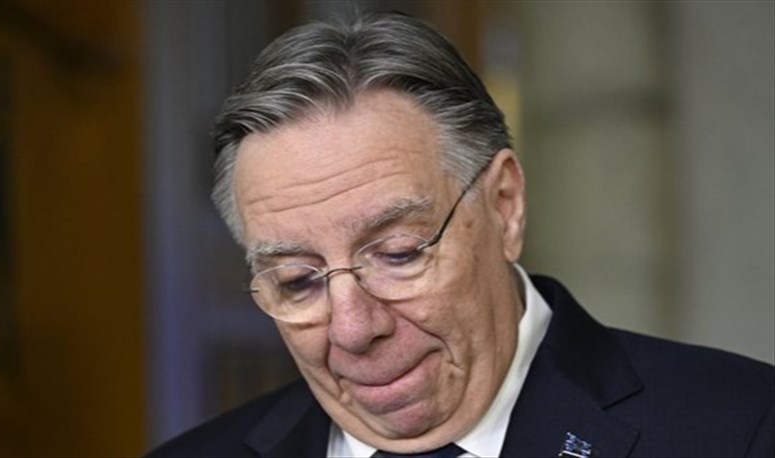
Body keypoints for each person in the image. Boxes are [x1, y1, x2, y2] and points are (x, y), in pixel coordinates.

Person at [148, 11, 774, 458]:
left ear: (504, 207)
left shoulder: (744, 428)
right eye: (297, 281)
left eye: (397, 253)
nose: (354, 329)